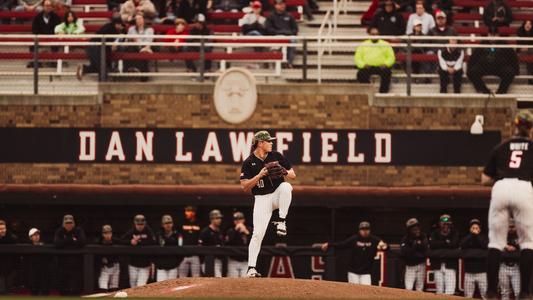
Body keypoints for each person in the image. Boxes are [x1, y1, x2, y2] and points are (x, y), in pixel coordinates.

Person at [482, 111, 533, 299]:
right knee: (528, 242)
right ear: (530, 129)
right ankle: (526, 293)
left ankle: (491, 292)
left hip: (501, 186)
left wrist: (503, 176)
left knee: (495, 242)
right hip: (523, 186)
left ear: (515, 126)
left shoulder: (501, 147)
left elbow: (484, 179)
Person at [240, 130, 296, 278]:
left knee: (287, 187)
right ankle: (251, 268)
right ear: (260, 143)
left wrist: (283, 171)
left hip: (277, 195)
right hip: (262, 199)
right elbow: (244, 187)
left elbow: (293, 175)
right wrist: (259, 175)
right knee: (257, 234)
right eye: (269, 141)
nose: (271, 143)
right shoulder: (248, 162)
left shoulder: (276, 156)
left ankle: (281, 221)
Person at [321, 221, 388, 285]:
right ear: (359, 230)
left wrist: (384, 246)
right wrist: (329, 244)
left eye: (367, 229)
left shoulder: (374, 240)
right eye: (363, 229)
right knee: (354, 292)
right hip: (353, 272)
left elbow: (386, 247)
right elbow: (341, 244)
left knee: (366, 291)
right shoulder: (354, 239)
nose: (365, 231)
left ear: (369, 230)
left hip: (366, 273)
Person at [467, 26, 518, 94]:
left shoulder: (504, 44)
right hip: (484, 67)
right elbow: (473, 57)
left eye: (495, 35)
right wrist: (469, 68)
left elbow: (513, 57)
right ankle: (484, 90)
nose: (493, 37)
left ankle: (500, 92)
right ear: (488, 35)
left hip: (500, 68)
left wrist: (516, 69)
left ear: (498, 35)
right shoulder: (483, 43)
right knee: (471, 72)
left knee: (510, 72)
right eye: (491, 34)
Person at [354, 27, 395, 93]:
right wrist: (363, 65)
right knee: (360, 74)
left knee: (387, 72)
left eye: (376, 34)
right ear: (369, 35)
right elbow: (357, 58)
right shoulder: (363, 44)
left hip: (381, 67)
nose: (374, 36)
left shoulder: (385, 44)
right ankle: (369, 91)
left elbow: (391, 57)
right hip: (367, 67)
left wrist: (386, 64)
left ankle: (383, 92)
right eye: (373, 34)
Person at [54, 214, 86, 295]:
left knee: (76, 288)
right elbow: (57, 243)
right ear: (63, 223)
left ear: (73, 223)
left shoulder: (78, 230)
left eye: (70, 223)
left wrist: (65, 241)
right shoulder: (59, 231)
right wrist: (72, 239)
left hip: (76, 263)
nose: (69, 225)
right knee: (63, 289)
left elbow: (82, 242)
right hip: (63, 263)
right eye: (67, 223)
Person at [121, 214, 156, 288]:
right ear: (135, 223)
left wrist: (140, 242)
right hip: (133, 264)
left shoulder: (148, 231)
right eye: (138, 224)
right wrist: (130, 241)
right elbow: (121, 240)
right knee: (133, 287)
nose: (140, 226)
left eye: (142, 224)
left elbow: (154, 242)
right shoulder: (132, 231)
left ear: (145, 223)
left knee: (140, 286)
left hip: (145, 265)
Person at [429, 214, 459, 295]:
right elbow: (432, 245)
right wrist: (446, 242)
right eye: (443, 223)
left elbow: (454, 244)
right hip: (437, 265)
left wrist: (440, 247)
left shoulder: (454, 233)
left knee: (450, 292)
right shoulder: (434, 233)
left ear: (450, 223)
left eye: (447, 223)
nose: (445, 225)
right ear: (439, 223)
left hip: (450, 265)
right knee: (439, 292)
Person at [265, 0, 298, 68]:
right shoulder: (271, 16)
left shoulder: (289, 15)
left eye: (283, 3)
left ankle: (288, 62)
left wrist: (287, 33)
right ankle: (275, 63)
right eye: (280, 4)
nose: (282, 5)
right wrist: (279, 32)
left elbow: (295, 29)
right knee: (275, 44)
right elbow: (268, 29)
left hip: (288, 36)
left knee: (294, 39)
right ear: (275, 6)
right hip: (275, 36)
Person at [460, 219, 488, 299]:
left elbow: (484, 245)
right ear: (470, 229)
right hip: (469, 272)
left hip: (482, 272)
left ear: (480, 229)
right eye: (473, 228)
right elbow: (462, 244)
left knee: (485, 296)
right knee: (468, 296)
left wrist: (476, 235)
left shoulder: (484, 237)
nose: (475, 229)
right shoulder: (466, 237)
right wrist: (471, 235)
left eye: (477, 228)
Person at [28, 0, 60, 68]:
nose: (48, 7)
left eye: (50, 6)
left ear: (52, 7)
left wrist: (52, 36)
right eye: (46, 6)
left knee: (56, 43)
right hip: (40, 38)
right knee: (32, 44)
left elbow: (58, 29)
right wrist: (41, 37)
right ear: (43, 7)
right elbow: (34, 30)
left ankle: (54, 62)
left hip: (52, 38)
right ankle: (35, 62)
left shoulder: (56, 17)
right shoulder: (37, 17)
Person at [400, 218, 428, 291]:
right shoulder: (405, 239)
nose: (416, 229)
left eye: (417, 226)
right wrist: (415, 246)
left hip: (421, 264)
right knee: (408, 288)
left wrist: (413, 249)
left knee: (420, 288)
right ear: (409, 229)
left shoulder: (423, 236)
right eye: (413, 227)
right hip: (410, 266)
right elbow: (405, 253)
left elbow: (425, 250)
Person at [199, 210, 225, 277]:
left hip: (218, 260)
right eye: (217, 218)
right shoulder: (205, 231)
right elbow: (200, 247)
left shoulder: (220, 231)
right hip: (207, 260)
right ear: (212, 219)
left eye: (220, 218)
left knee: (218, 279)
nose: (219, 220)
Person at [225, 212, 252, 278]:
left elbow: (254, 243)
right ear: (234, 221)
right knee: (232, 283)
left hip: (245, 261)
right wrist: (235, 231)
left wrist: (246, 232)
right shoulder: (230, 231)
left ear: (244, 220)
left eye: (240, 219)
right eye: (236, 219)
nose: (238, 221)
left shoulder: (249, 229)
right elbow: (227, 243)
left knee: (245, 282)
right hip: (233, 261)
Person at [178, 205, 201, 278]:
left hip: (195, 255)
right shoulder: (181, 222)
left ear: (193, 213)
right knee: (181, 279)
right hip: (183, 255)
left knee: (196, 278)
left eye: (188, 211)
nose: (186, 213)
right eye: (186, 211)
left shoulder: (199, 223)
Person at [499, 220, 521, 300]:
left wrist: (514, 250)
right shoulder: (502, 236)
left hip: (516, 267)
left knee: (518, 292)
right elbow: (497, 253)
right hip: (504, 266)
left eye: (513, 226)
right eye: (509, 226)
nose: (511, 228)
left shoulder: (520, 236)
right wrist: (506, 247)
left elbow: (523, 253)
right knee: (504, 292)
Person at [155, 215, 180, 282]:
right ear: (162, 224)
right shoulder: (158, 235)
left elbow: (181, 250)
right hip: (161, 267)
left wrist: (176, 263)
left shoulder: (177, 235)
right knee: (160, 287)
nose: (168, 225)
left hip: (173, 267)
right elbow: (153, 251)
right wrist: (158, 264)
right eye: (166, 223)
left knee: (172, 289)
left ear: (172, 224)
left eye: (169, 223)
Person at [25, 228, 50, 296]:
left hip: (43, 273)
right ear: (30, 237)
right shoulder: (27, 247)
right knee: (34, 291)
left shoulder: (44, 246)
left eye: (38, 234)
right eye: (34, 235)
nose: (37, 236)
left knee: (45, 291)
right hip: (32, 273)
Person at [96, 225, 120, 292]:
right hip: (104, 268)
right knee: (103, 289)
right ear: (102, 234)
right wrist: (101, 259)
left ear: (111, 233)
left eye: (109, 233)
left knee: (114, 289)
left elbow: (125, 242)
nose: (107, 235)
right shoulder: (98, 242)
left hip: (115, 266)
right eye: (105, 233)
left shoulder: (115, 240)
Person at [0, 220, 18, 295]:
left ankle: (7, 290)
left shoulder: (11, 236)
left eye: (3, 228)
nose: (2, 230)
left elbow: (15, 239)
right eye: (0, 229)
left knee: (9, 275)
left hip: (9, 262)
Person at [517, 20, 533, 85]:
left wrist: (527, 47)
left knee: (530, 55)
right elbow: (519, 45)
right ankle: (530, 79)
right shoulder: (520, 31)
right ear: (524, 25)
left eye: (529, 24)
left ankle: (530, 79)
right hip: (523, 51)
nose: (528, 25)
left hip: (530, 51)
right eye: (526, 24)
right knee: (529, 57)